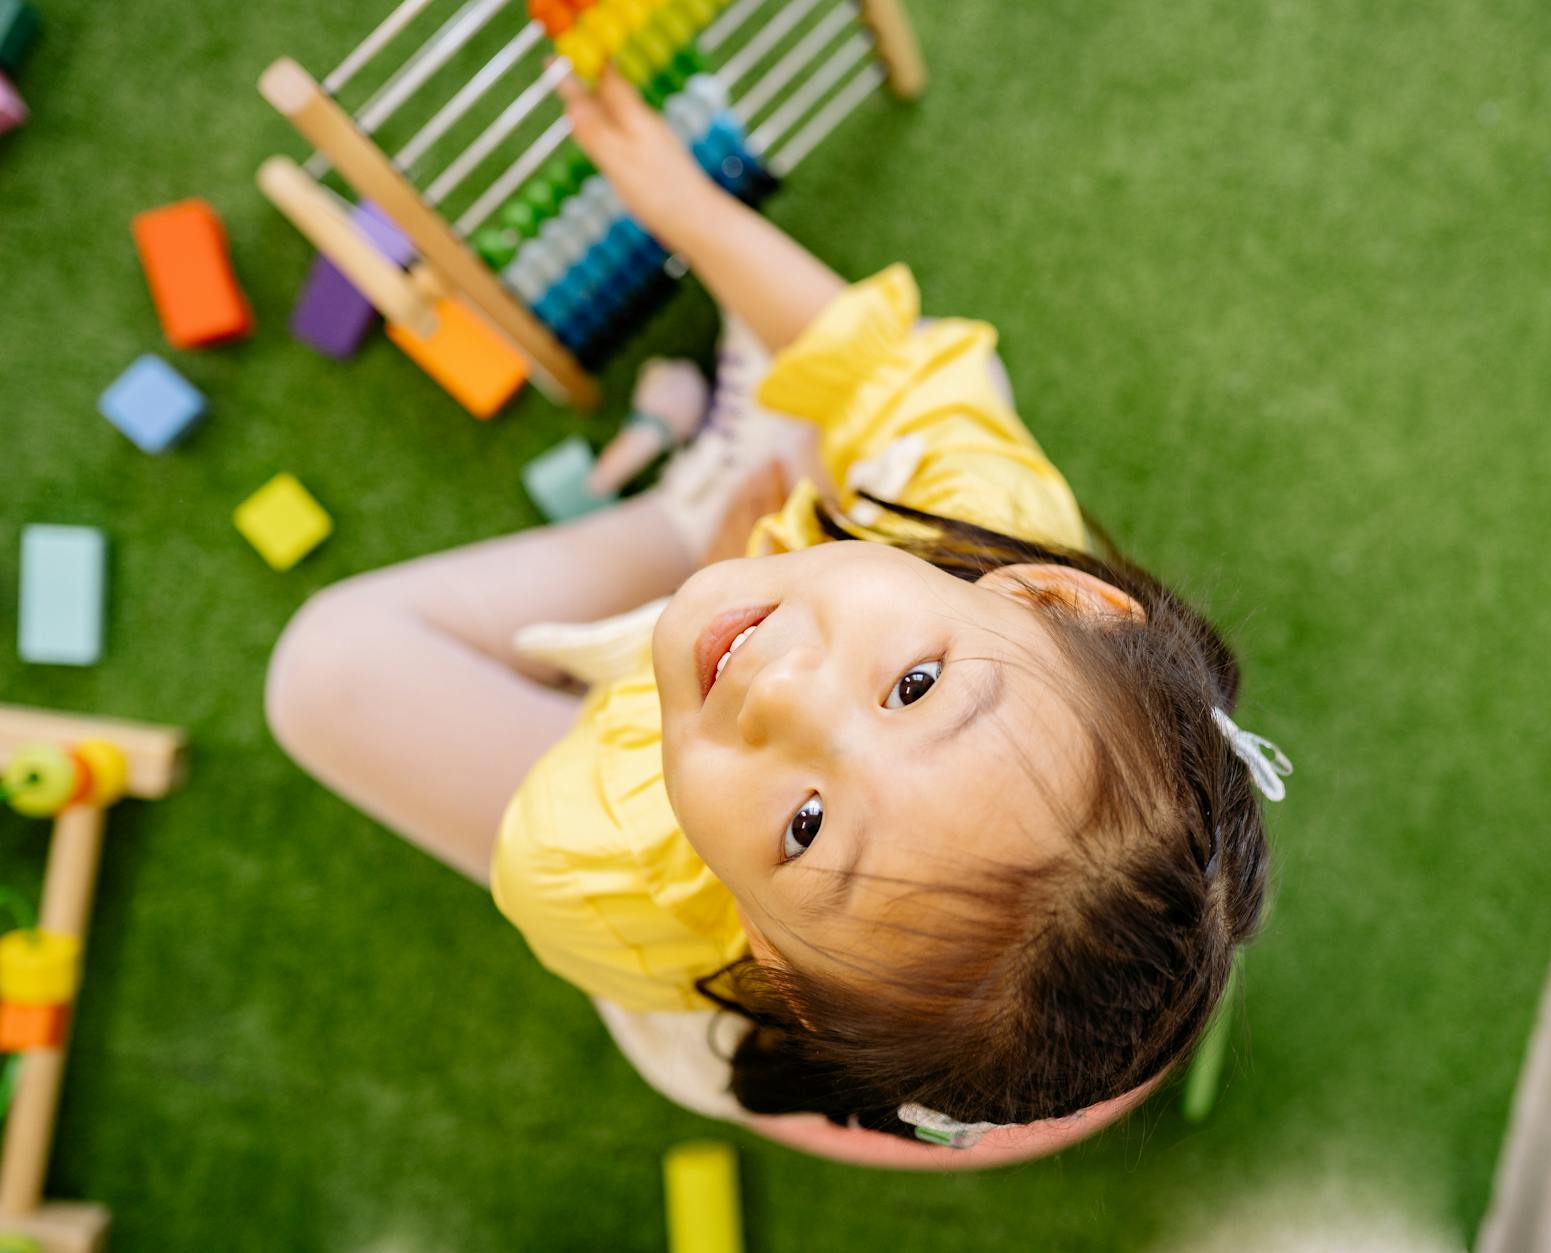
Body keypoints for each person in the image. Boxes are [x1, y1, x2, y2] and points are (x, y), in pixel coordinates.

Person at [266, 65, 1288, 1162]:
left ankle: (689, 508)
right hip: (961, 1035)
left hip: (701, 909)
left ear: (769, 952)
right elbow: (889, 368)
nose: (781, 691)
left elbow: (658, 738)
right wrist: (683, 206)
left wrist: (707, 568)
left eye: (805, 826)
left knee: (325, 667)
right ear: (1055, 594)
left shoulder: (599, 853)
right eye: (914, 684)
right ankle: (763, 499)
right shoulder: (997, 515)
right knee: (889, 374)